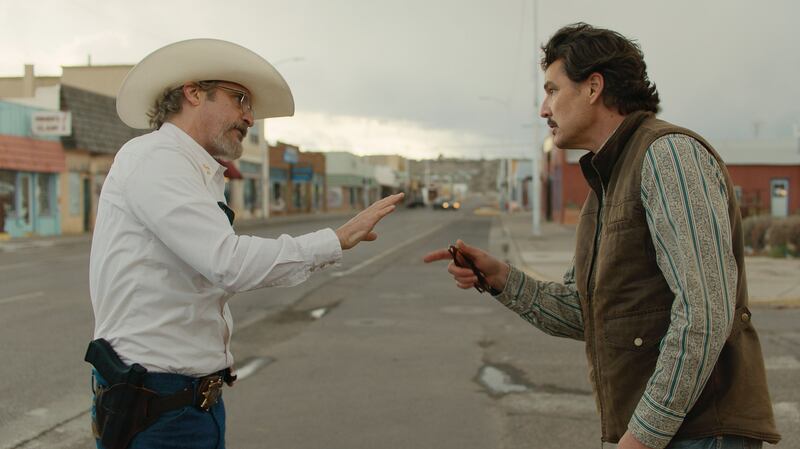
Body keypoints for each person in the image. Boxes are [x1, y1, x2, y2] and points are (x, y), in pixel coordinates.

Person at [424, 23, 780, 449]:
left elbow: (704, 313)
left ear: (593, 87)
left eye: (553, 90)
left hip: (701, 434)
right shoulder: (604, 186)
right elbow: (585, 315)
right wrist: (501, 277)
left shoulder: (668, 156)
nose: (543, 109)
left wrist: (642, 437)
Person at [87, 38, 403, 449]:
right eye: (240, 99)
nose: (250, 117)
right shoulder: (157, 159)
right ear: (194, 91)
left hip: (182, 402)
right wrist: (335, 240)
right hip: (157, 405)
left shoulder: (195, 170)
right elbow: (228, 262)